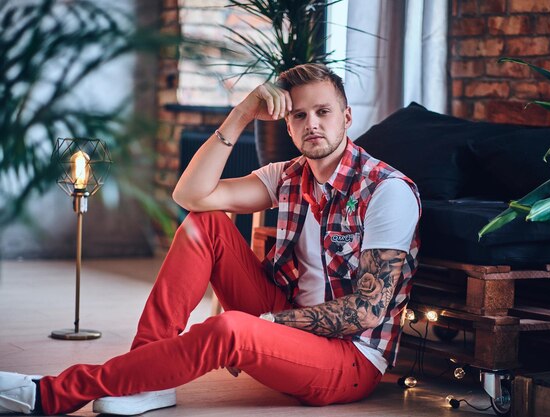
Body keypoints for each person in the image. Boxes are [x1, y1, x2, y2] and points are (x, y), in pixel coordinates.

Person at [0, 63, 420, 415]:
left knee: (230, 329)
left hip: (348, 358)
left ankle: (49, 395)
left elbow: (367, 312)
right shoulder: (288, 174)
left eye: (323, 112)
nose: (312, 124)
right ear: (287, 125)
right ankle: (148, 380)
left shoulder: (386, 190)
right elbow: (191, 196)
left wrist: (266, 323)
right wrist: (242, 113)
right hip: (286, 318)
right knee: (207, 223)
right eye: (298, 115)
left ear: (347, 117)